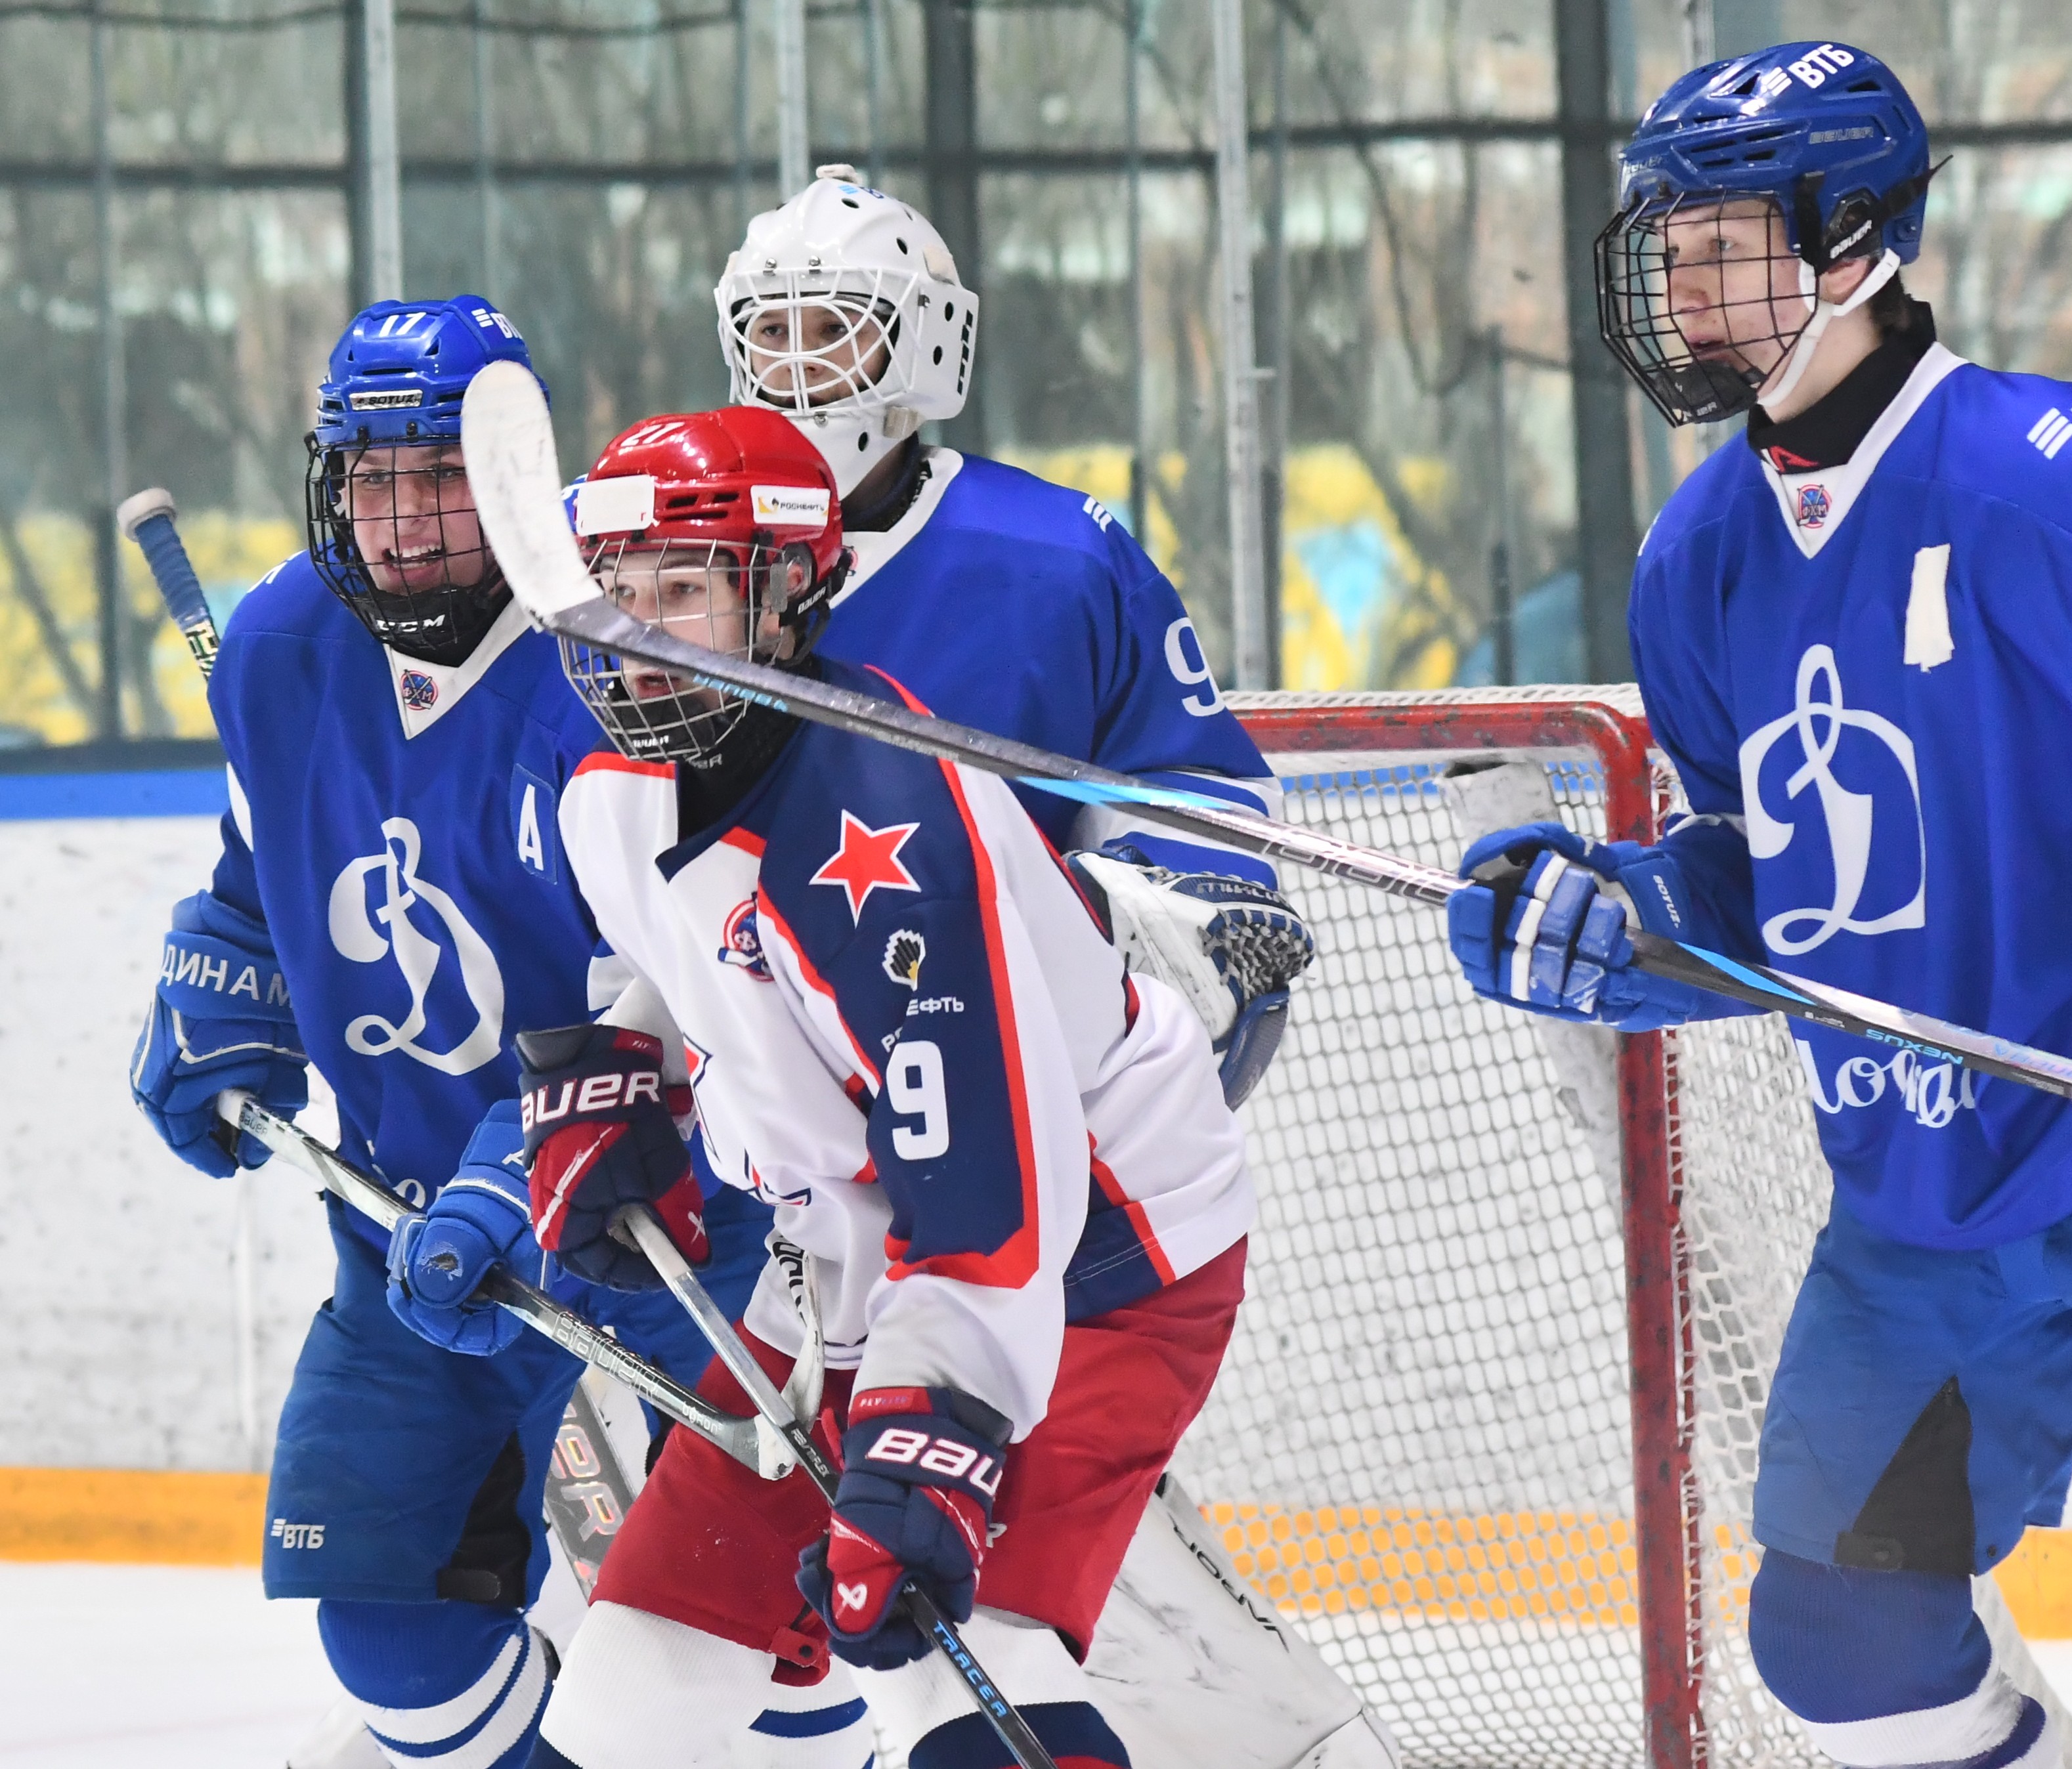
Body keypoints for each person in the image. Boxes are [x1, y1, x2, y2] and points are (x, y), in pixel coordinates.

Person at [1447, 41, 2072, 1769]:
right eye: (1666, 240)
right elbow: (1776, 882)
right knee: (1840, 1642)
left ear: (1850, 244)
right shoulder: (1695, 561)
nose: (1674, 281)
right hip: (1921, 1188)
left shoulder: (2068, 484)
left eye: (1719, 240)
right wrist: (1624, 922)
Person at [511, 406, 1266, 1769]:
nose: (635, 630)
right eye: (616, 588)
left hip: (1097, 1244)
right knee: (638, 1682)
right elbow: (695, 965)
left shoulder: (889, 828)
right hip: (859, 1249)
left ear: (791, 595)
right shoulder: (609, 785)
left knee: (951, 1674)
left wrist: (934, 1436)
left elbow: (985, 1192)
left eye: (681, 590)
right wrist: (630, 1075)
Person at [126, 296, 798, 1769]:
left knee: (761, 1662)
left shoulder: (620, 649)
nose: (406, 520)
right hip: (406, 1229)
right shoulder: (280, 648)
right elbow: (264, 868)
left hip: (669, 1230)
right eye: (374, 480)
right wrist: (227, 983)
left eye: (442, 477)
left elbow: (694, 972)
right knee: (390, 1641)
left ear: (510, 476)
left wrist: (531, 1161)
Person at [710, 170, 1310, 1105]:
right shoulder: (673, 555)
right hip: (758, 1072)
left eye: (834, 330)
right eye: (773, 333)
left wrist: (1172, 903)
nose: (799, 370)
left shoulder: (1058, 557)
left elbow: (1191, 777)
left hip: (1010, 1053)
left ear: (920, 341)